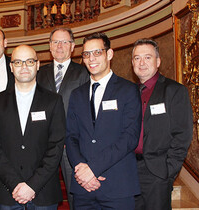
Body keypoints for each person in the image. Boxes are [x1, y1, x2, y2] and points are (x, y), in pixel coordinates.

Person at [66, 32, 141, 209]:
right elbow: (71, 137)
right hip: (83, 187)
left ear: (109, 54)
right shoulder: (77, 95)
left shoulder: (128, 90)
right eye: (86, 54)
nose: (91, 58)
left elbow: (129, 137)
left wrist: (92, 169)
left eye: (97, 52)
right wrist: (81, 170)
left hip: (117, 187)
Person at [0, 45, 66, 209]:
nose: (24, 67)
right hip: (7, 192)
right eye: (18, 62)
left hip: (44, 193)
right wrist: (15, 184)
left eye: (29, 61)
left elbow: (56, 147)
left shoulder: (53, 101)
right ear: (11, 67)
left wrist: (32, 185)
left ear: (37, 65)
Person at [132, 39, 193, 210]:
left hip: (157, 173)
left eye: (147, 57)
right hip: (129, 171)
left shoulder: (174, 91)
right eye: (137, 58)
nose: (141, 63)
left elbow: (183, 134)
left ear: (158, 61)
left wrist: (168, 171)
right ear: (132, 63)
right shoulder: (128, 93)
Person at [37, 28, 89, 210]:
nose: (60, 46)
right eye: (56, 42)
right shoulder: (38, 74)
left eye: (64, 42)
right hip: (43, 146)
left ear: (73, 46)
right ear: (50, 46)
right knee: (42, 195)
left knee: (76, 194)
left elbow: (86, 112)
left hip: (72, 146)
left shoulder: (83, 73)